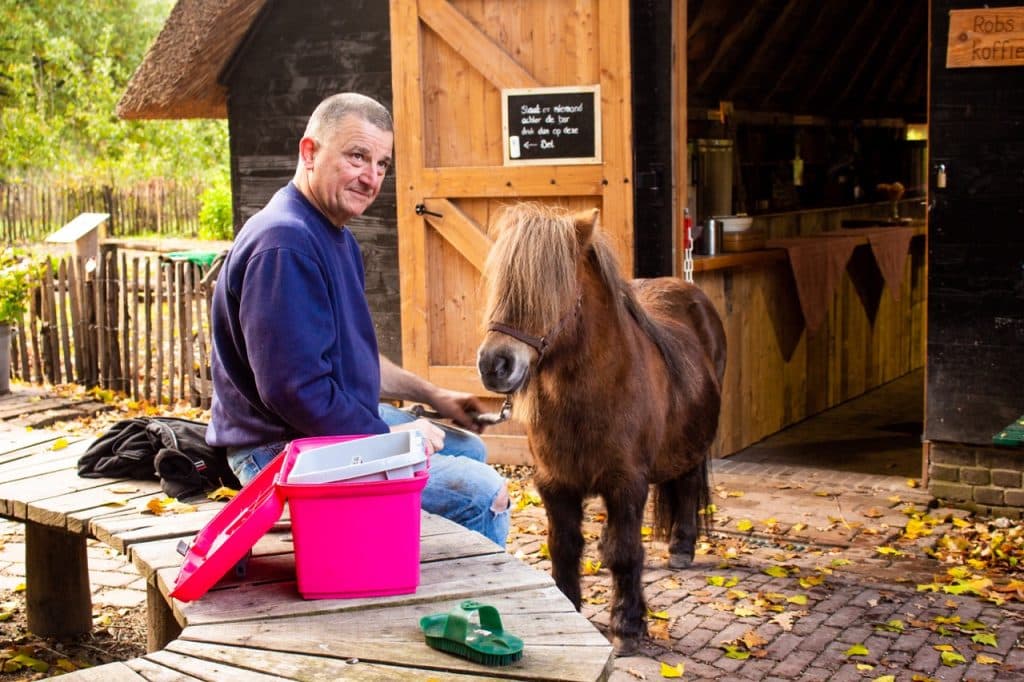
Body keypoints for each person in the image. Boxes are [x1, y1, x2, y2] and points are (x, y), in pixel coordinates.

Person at [205, 92, 509, 546]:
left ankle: (404, 558)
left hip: (311, 433)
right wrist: (390, 436)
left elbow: (352, 357)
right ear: (310, 152)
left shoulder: (333, 236)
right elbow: (296, 392)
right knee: (485, 493)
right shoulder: (284, 245)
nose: (371, 178)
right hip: (277, 452)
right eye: (357, 156)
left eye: (382, 164)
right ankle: (449, 606)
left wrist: (433, 395)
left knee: (469, 447)